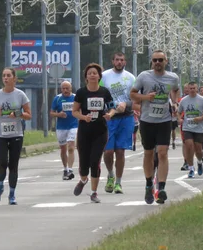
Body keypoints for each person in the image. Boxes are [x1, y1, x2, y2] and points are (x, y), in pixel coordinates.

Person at [130, 50, 180, 205]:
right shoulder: (144, 76)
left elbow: (175, 90)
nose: (157, 62)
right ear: (151, 62)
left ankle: (162, 187)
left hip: (164, 120)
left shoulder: (172, 77)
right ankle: (148, 183)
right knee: (149, 153)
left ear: (166, 61)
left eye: (160, 60)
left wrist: (175, 102)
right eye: (154, 60)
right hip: (147, 120)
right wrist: (146, 97)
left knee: (163, 153)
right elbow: (132, 94)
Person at [0, 68, 31, 205]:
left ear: (14, 78)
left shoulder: (20, 95)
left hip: (16, 133)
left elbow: (29, 115)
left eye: (9, 75)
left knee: (13, 165)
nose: (6, 78)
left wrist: (18, 114)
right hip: (1, 134)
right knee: (2, 162)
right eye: (4, 75)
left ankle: (12, 194)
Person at [72, 63, 116, 203]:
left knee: (94, 161)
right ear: (86, 76)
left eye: (95, 73)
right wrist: (84, 117)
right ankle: (83, 180)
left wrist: (110, 114)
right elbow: (74, 111)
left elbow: (112, 108)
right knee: (84, 164)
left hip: (100, 131)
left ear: (99, 76)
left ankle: (94, 192)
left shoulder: (104, 92)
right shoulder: (81, 93)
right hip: (85, 131)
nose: (92, 75)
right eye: (89, 73)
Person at [100, 52, 138, 195]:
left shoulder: (131, 78)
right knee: (108, 151)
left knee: (120, 151)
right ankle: (110, 174)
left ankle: (118, 183)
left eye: (122, 60)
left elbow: (135, 99)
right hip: (109, 118)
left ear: (125, 62)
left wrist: (126, 104)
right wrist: (111, 106)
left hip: (125, 117)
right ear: (113, 61)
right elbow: (99, 94)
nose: (119, 62)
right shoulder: (104, 76)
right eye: (117, 60)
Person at [179, 82, 203, 178]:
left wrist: (201, 118)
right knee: (189, 146)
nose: (192, 90)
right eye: (190, 88)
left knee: (198, 149)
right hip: (187, 127)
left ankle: (199, 162)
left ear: (196, 89)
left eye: (194, 88)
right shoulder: (184, 100)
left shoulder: (202, 100)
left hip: (198, 128)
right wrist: (179, 119)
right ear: (187, 90)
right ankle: (191, 168)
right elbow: (179, 112)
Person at [50, 81, 78, 180]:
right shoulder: (57, 99)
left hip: (73, 126)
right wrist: (59, 115)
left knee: (71, 147)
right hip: (61, 127)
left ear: (71, 89)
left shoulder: (75, 97)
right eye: (63, 89)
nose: (65, 90)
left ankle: (70, 170)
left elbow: (80, 110)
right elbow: (51, 113)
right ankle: (65, 169)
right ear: (61, 89)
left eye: (67, 88)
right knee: (63, 149)